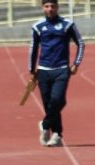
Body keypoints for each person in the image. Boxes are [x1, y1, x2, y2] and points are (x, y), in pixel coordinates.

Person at [29, 0, 83, 148]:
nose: (50, 9)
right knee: (48, 104)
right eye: (47, 6)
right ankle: (57, 134)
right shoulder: (38, 27)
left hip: (62, 69)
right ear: (42, 8)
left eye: (53, 6)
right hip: (43, 70)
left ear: (57, 7)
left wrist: (76, 64)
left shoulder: (67, 25)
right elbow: (33, 49)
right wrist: (31, 70)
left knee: (58, 100)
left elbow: (80, 43)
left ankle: (45, 124)